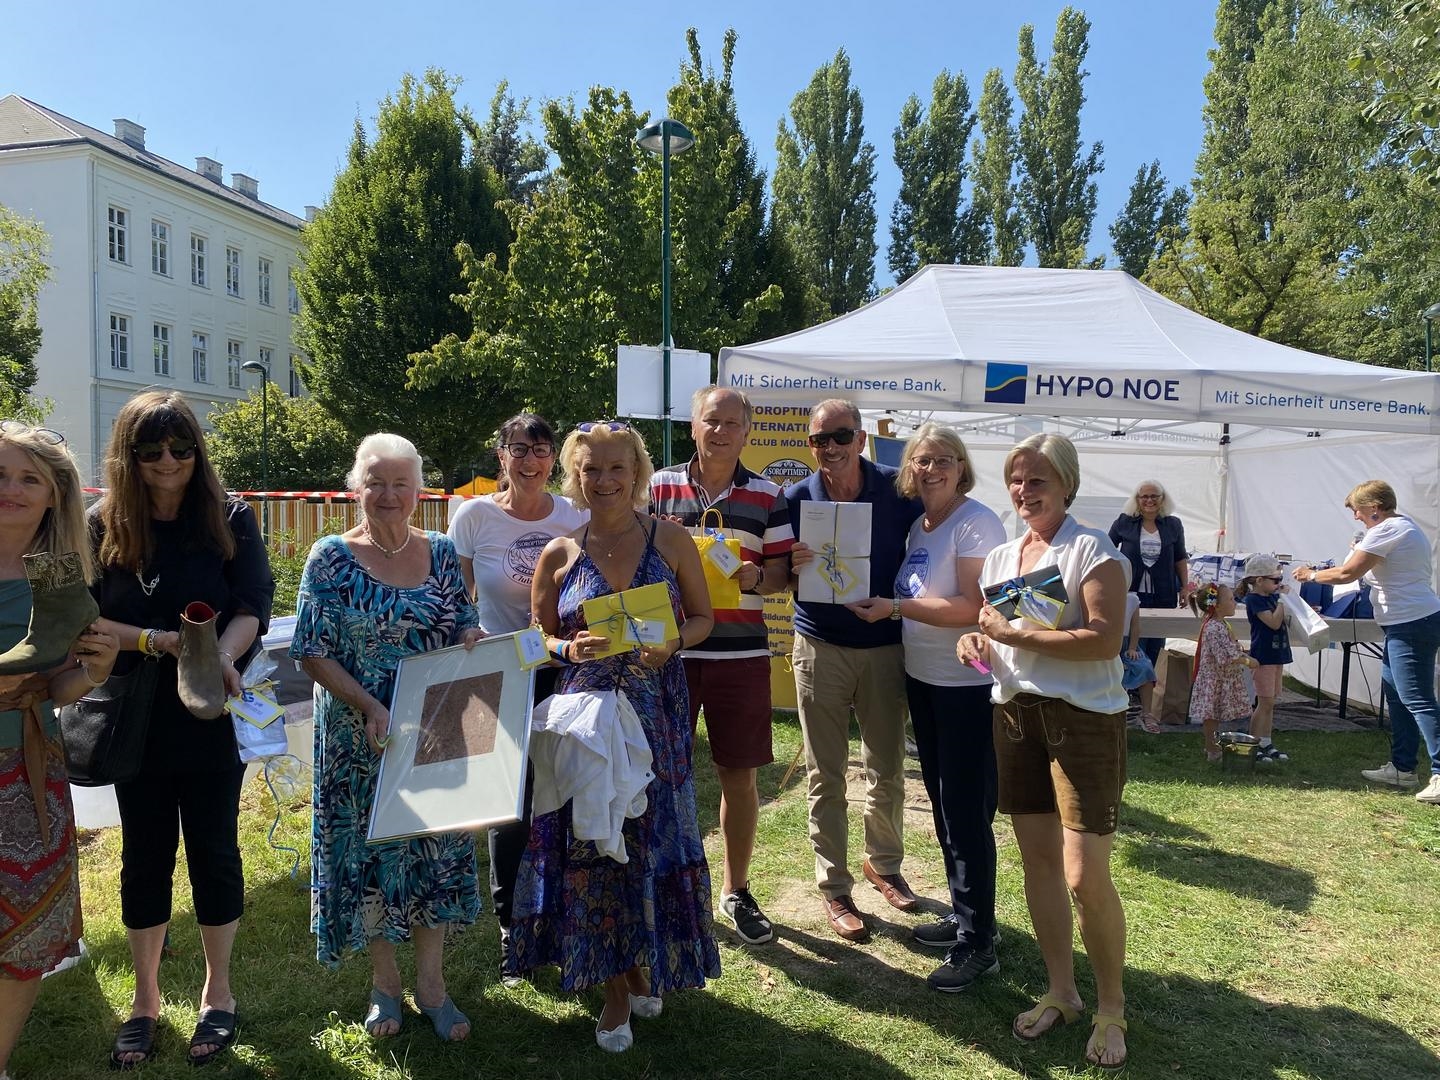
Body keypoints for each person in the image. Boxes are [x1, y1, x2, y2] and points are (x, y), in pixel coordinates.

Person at [514, 420, 719, 1053]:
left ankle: (639, 964)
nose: (604, 480)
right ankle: (613, 990)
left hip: (657, 714)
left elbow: (705, 618)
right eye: (591, 469)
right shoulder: (559, 554)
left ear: (637, 473)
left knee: (648, 840)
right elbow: (533, 641)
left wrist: (674, 642)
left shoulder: (672, 538)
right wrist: (564, 647)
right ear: (574, 477)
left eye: (616, 468)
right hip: (587, 721)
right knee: (596, 845)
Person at [91, 392, 273, 1069]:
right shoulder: (102, 524)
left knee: (215, 850)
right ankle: (144, 1002)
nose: (168, 461)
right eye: (150, 450)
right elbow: (86, 619)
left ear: (198, 450)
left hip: (211, 713)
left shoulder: (230, 516)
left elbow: (253, 603)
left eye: (181, 448)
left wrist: (219, 654)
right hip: (136, 715)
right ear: (128, 455)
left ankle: (216, 993)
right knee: (145, 855)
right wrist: (158, 640)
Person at [292, 433, 483, 1042]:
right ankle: (385, 985)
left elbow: (463, 622)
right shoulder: (330, 558)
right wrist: (370, 704)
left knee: (434, 854)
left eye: (401, 483)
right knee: (370, 857)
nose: (389, 494)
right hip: (360, 740)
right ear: (356, 488)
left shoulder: (444, 552)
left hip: (434, 736)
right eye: (376, 481)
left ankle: (432, 986)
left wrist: (472, 639)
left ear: (419, 491)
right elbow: (311, 651)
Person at [958, 433, 1131, 1070]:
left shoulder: (1092, 550)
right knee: (1038, 865)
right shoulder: (1003, 557)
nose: (1024, 491)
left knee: (1084, 876)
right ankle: (1063, 991)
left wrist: (1012, 634)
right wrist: (977, 644)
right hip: (1015, 716)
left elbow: (1103, 641)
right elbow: (995, 633)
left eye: (1038, 480)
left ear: (1067, 484)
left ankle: (1111, 1006)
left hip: (1083, 721)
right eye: (1016, 479)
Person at [847, 424, 1005, 992]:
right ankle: (969, 918)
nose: (931, 469)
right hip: (925, 680)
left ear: (962, 467)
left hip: (965, 686)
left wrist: (895, 608)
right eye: (921, 460)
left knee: (964, 811)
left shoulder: (975, 522)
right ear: (908, 469)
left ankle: (978, 944)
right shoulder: (922, 524)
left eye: (943, 460)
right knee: (944, 807)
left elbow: (973, 606)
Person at [649, 386, 793, 946]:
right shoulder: (658, 487)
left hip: (742, 655)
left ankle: (736, 890)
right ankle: (663, 884)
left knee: (740, 776)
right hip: (672, 653)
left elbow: (782, 577)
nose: (721, 431)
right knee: (660, 774)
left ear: (747, 432)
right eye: (712, 420)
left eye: (733, 423)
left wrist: (757, 577)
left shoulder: (770, 495)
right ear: (693, 426)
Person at [447, 413, 585, 978]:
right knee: (510, 802)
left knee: (565, 794)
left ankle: (565, 914)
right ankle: (512, 927)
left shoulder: (574, 516)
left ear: (554, 457)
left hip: (563, 672)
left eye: (541, 449)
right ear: (500, 455)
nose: (530, 460)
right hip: (499, 675)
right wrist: (466, 630)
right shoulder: (474, 515)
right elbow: (456, 596)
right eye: (518, 449)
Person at [0, 423, 118, 1080]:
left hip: (24, 771)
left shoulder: (56, 576)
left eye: (29, 478)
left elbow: (59, 687)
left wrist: (94, 672)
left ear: (54, 494)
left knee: (22, 933)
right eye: (0, 475)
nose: (11, 489)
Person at [788, 399, 922, 942]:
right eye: (820, 439)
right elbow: (777, 573)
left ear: (861, 439)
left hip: (885, 646)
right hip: (819, 645)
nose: (831, 448)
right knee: (825, 773)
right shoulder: (796, 497)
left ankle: (883, 864)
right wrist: (788, 565)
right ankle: (834, 887)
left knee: (886, 766)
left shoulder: (899, 489)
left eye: (840, 436)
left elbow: (932, 543)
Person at [1295, 481, 1440, 803]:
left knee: (1417, 698)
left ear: (1374, 507)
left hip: (1412, 622)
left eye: (1358, 511)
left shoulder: (1387, 530)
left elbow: (1347, 574)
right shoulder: (1399, 527)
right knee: (1397, 696)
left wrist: (1310, 575)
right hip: (1406, 622)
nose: (1356, 517)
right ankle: (1402, 768)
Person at [1109, 480, 1189, 665]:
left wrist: (1185, 587)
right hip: (1131, 593)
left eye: (1154, 496)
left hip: (1163, 593)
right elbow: (1107, 550)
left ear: (1162, 499)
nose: (1149, 500)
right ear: (1137, 499)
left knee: (1156, 644)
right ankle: (1133, 680)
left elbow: (1180, 558)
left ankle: (1151, 680)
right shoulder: (1124, 522)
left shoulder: (1173, 524)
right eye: (1144, 496)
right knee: (1131, 643)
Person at [1187, 582, 1259, 762]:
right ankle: (1211, 748)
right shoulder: (1214, 627)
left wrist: (1243, 655)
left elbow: (1230, 649)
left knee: (1215, 714)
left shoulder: (1220, 624)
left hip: (1219, 677)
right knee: (1211, 716)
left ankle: (1212, 745)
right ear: (1217, 605)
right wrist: (1248, 661)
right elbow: (1225, 656)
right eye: (1231, 599)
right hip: (1214, 679)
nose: (1235, 602)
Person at [1235, 554, 1291, 764]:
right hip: (1264, 656)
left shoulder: (1272, 598)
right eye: (1275, 580)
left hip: (1277, 654)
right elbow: (1274, 623)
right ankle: (1253, 742)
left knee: (1271, 702)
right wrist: (1283, 600)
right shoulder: (1255, 600)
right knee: (1264, 702)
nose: (1279, 584)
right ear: (1259, 580)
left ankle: (1266, 741)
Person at [1122, 592, 1160, 733]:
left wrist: (1132, 648)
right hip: (1108, 644)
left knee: (1145, 668)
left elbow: (1135, 627)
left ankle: (1147, 714)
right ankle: (1117, 711)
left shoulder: (1132, 599)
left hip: (1126, 644)